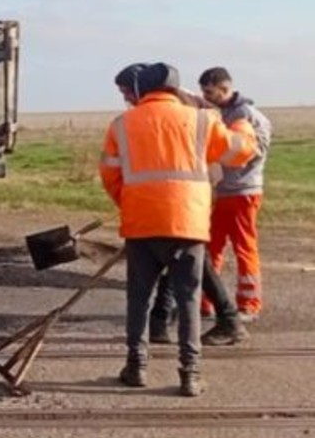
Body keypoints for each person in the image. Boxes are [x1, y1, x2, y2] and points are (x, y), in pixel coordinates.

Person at [100, 62, 256, 397]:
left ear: (143, 89)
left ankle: (136, 367)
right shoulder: (202, 120)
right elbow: (240, 152)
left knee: (138, 300)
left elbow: (110, 176)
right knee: (187, 300)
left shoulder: (121, 125)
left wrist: (133, 204)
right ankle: (190, 375)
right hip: (188, 224)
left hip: (141, 225)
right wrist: (241, 122)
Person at [199, 67, 271, 323]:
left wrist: (224, 152)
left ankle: (249, 304)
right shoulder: (213, 113)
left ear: (223, 88)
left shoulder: (251, 117)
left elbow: (255, 152)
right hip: (218, 192)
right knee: (211, 249)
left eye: (209, 92)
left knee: (244, 248)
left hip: (243, 192)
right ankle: (206, 302)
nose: (206, 97)